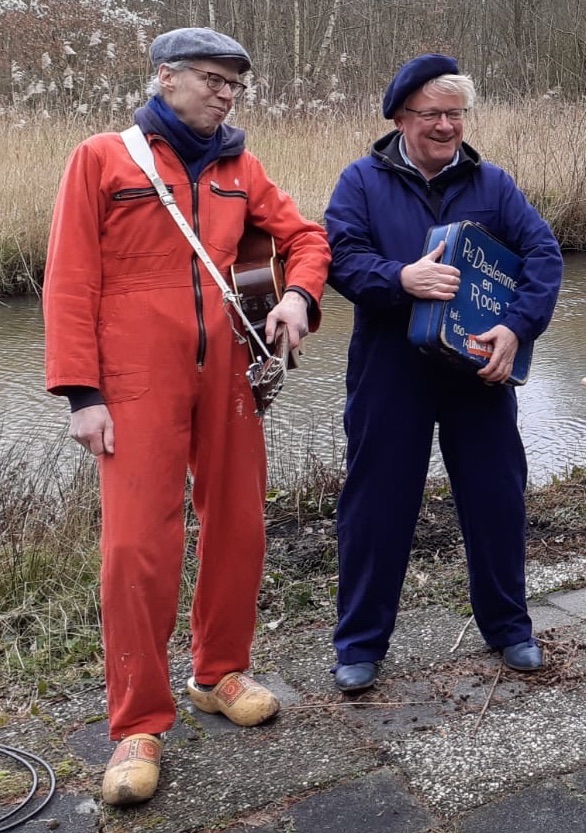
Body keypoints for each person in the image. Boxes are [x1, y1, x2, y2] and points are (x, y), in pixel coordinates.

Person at [43, 27, 330, 805]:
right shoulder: (103, 158)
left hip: (230, 375)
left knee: (239, 520)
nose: (225, 93)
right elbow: (70, 279)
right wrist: (81, 392)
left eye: (235, 82)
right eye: (211, 78)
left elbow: (306, 239)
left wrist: (299, 296)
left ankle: (218, 671)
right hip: (135, 380)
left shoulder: (244, 166)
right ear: (165, 77)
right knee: (137, 545)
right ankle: (137, 721)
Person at [324, 54, 563, 693]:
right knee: (376, 505)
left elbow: (542, 253)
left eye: (455, 114)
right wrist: (400, 278)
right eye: (431, 114)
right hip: (389, 370)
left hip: (478, 370)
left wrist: (517, 326)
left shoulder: (494, 185)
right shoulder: (361, 182)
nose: (445, 126)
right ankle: (361, 644)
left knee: (496, 496)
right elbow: (340, 258)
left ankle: (509, 628)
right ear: (401, 117)